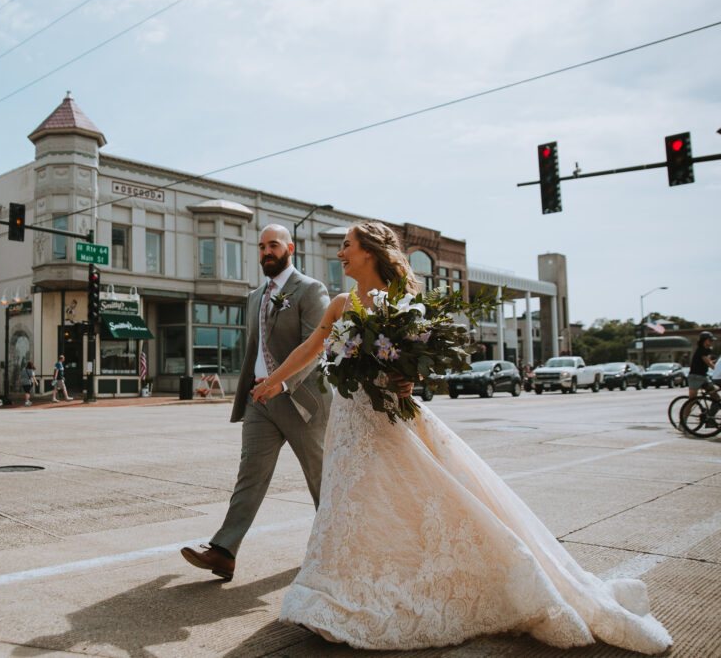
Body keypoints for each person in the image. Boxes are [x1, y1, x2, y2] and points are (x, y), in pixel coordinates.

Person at [250, 221, 672, 653]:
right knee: (347, 502)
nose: (340, 254)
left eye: (346, 246)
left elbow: (416, 356)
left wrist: (407, 376)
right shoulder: (340, 303)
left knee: (399, 499)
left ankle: (385, 590)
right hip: (348, 419)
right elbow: (310, 350)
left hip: (388, 416)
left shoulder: (403, 303)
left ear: (370, 253)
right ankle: (335, 592)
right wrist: (276, 381)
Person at [180, 224, 332, 582]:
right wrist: (252, 389)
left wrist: (283, 383)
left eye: (273, 245)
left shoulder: (310, 290)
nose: (267, 252)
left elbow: (316, 346)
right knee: (249, 475)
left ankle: (337, 547)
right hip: (260, 402)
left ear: (290, 248)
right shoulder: (254, 296)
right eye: (262, 246)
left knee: (321, 479)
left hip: (302, 401)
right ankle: (224, 551)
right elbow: (253, 349)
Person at [687, 331, 719, 420]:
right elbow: (708, 363)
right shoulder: (701, 350)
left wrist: (718, 361)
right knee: (692, 401)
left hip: (704, 377)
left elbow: (709, 362)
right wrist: (717, 369)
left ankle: (710, 418)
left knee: (716, 397)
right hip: (695, 377)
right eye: (710, 340)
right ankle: (682, 421)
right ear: (704, 341)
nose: (712, 342)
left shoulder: (707, 350)